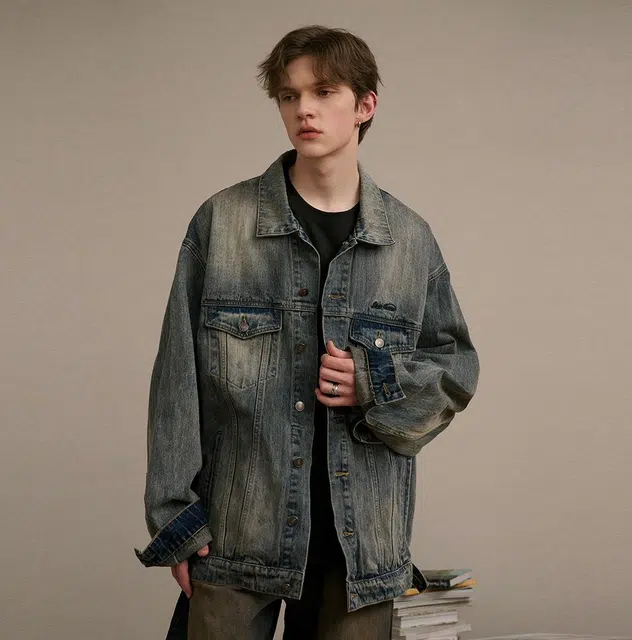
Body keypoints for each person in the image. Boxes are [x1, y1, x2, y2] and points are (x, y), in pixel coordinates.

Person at [134, 24, 480, 640]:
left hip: (362, 549)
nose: (304, 110)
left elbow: (454, 371)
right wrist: (177, 523)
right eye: (289, 96)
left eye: (323, 92)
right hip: (238, 537)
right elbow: (176, 381)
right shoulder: (223, 224)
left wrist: (372, 383)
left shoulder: (409, 240)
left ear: (365, 105)